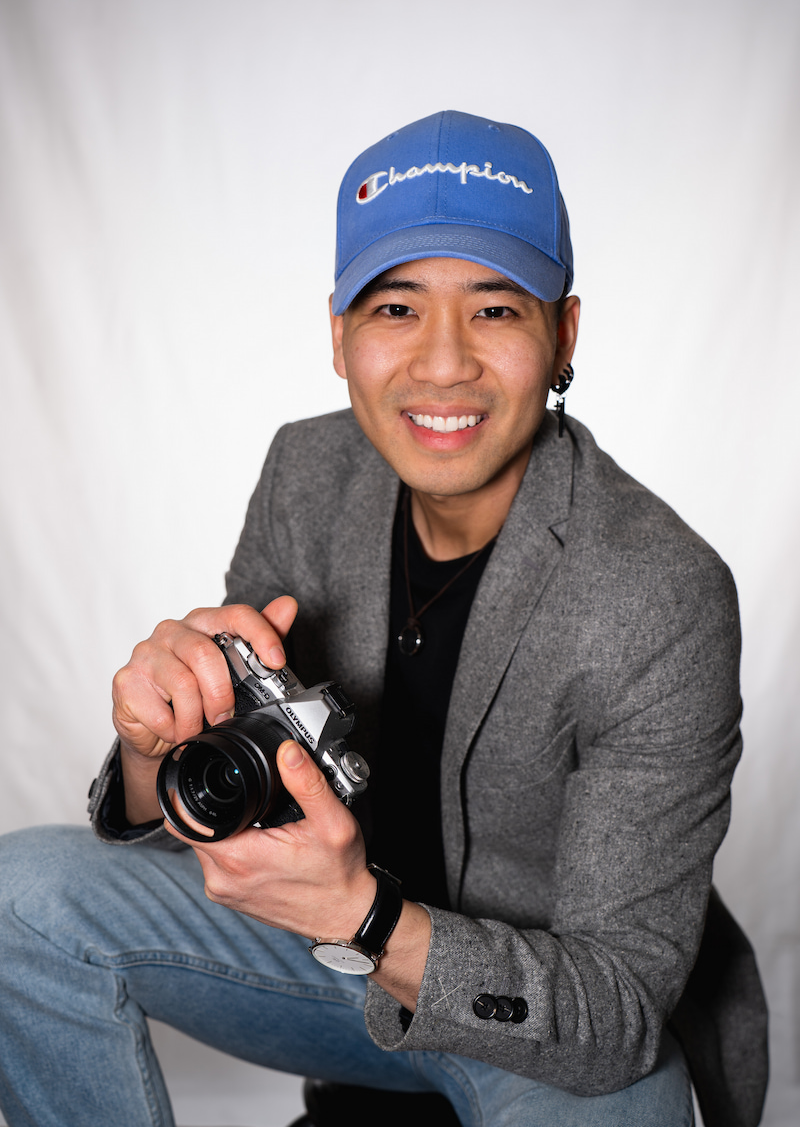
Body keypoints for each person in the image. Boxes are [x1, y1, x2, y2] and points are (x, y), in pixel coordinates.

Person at [0, 110, 767, 1127]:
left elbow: (615, 1011)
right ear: (338, 336)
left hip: (548, 1024)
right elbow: (231, 814)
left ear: (563, 336)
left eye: (494, 310)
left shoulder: (658, 593)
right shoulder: (307, 473)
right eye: (395, 308)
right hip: (330, 968)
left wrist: (365, 917)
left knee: (624, 1102)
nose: (441, 364)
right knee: (17, 899)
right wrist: (155, 752)